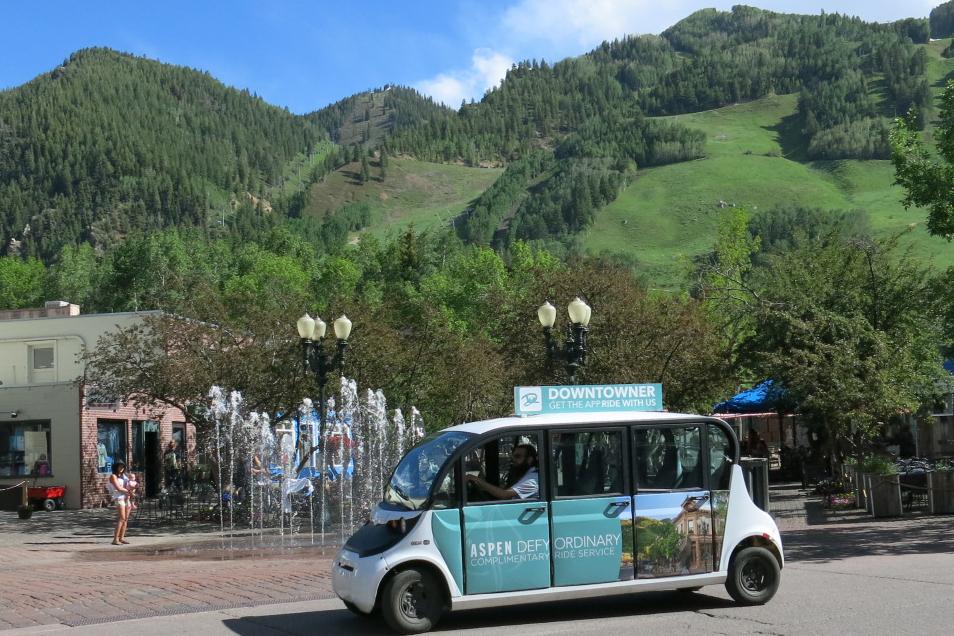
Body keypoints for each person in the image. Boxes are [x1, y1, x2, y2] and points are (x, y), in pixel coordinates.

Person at [466, 443, 539, 500]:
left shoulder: (532, 480)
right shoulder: (524, 473)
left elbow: (504, 495)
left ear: (529, 460)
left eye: (517, 456)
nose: (513, 459)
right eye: (512, 456)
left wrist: (475, 479)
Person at [107, 461, 131, 545]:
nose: (121, 469)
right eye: (120, 467)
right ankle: (115, 539)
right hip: (119, 498)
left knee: (125, 519)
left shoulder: (124, 477)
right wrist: (129, 491)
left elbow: (128, 484)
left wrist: (132, 487)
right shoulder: (113, 476)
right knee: (121, 518)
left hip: (126, 498)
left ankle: (121, 538)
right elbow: (118, 488)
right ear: (116, 467)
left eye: (123, 467)